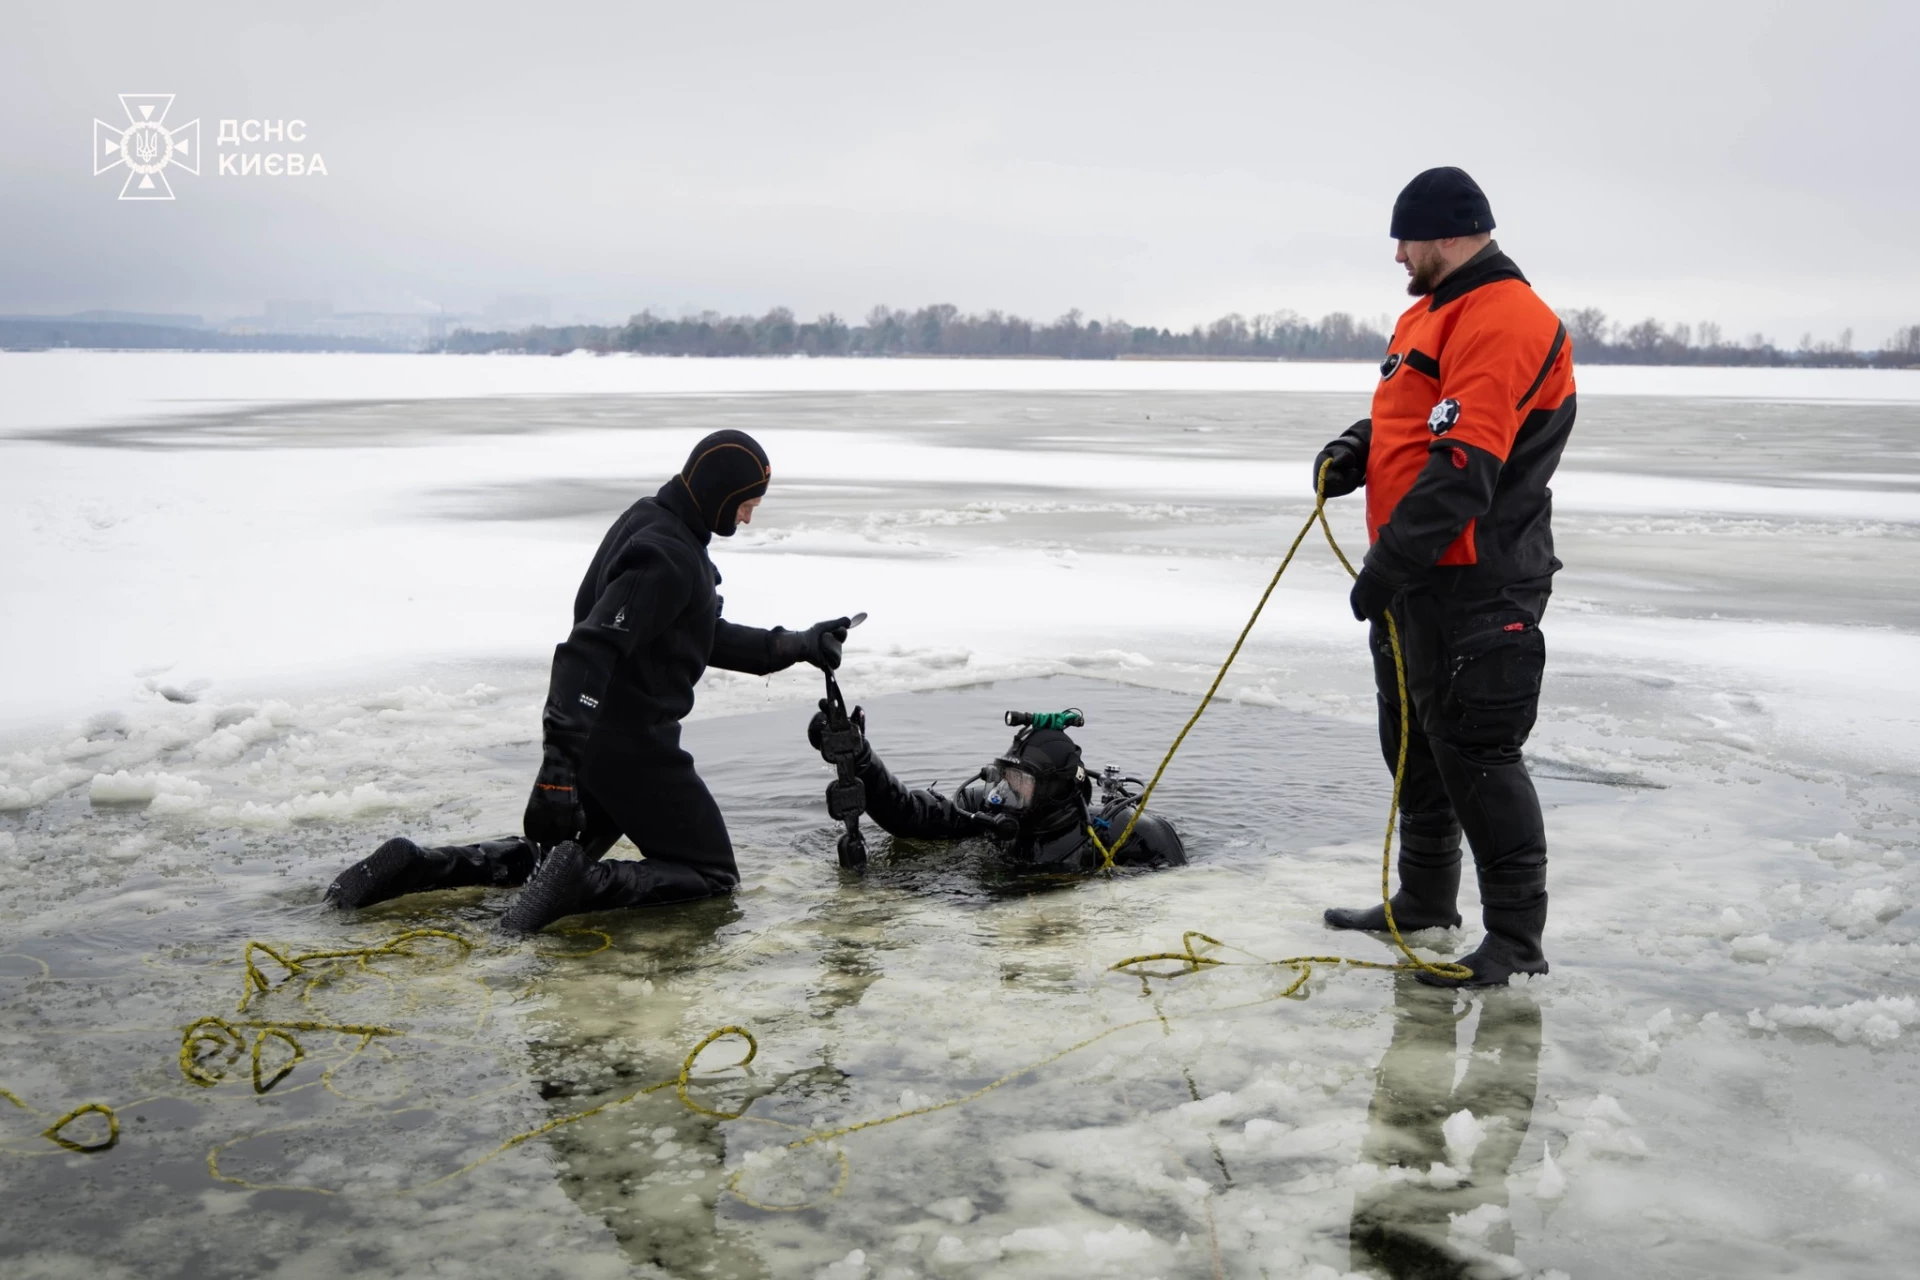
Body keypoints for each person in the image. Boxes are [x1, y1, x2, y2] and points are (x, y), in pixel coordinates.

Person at [325, 429, 855, 932]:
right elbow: (588, 649)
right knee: (711, 875)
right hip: (630, 746)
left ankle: (421, 868)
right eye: (747, 503)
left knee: (546, 860)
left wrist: (798, 645)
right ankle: (586, 884)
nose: (748, 517)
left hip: (601, 739)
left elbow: (696, 632)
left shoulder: (654, 521)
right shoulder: (668, 556)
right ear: (720, 494)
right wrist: (557, 766)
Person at [1315, 167, 1575, 987]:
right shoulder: (1429, 312)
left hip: (1480, 579)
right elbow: (1422, 413)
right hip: (1422, 579)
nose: (1398, 254)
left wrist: (1386, 565)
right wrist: (1360, 447)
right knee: (1414, 746)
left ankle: (1515, 944)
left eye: (1408, 238)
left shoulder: (1506, 318)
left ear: (1452, 234)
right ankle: (1425, 900)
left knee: (1477, 753)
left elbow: (1466, 463)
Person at [807, 705, 1185, 871]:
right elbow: (910, 816)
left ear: (1056, 790)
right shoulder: (987, 811)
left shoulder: (1126, 835)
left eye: (1022, 783)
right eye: (1006, 775)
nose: (1006, 792)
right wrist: (861, 759)